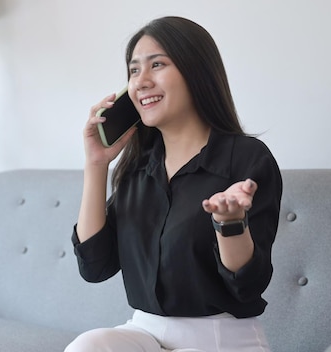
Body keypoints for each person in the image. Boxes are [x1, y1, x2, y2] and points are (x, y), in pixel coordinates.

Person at [66, 16, 282, 352]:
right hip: (144, 332)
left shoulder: (246, 159)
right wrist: (97, 165)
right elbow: (94, 266)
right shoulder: (138, 167)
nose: (141, 81)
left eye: (157, 64)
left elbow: (248, 286)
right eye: (134, 70)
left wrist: (230, 224)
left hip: (221, 339)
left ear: (196, 71)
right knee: (89, 345)